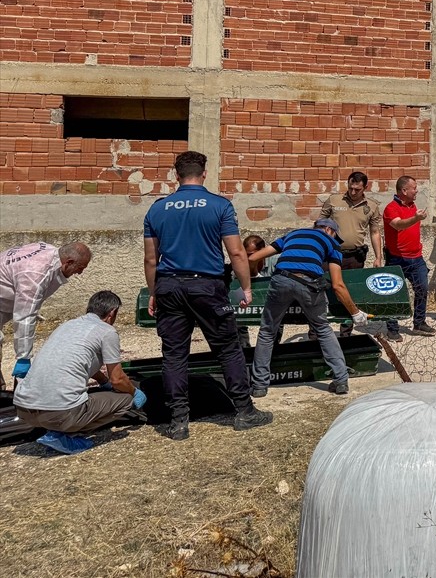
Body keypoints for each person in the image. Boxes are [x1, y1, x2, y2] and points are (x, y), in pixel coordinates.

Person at [144, 150, 272, 440]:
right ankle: (244, 411)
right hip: (207, 285)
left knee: (174, 355)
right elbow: (237, 252)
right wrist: (247, 287)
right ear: (204, 173)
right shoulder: (219, 206)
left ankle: (178, 421)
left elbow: (151, 259)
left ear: (176, 175)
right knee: (227, 348)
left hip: (169, 285)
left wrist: (154, 291)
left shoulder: (157, 209)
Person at [13, 290, 145, 455]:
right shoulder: (106, 331)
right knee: (126, 400)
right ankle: (63, 434)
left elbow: (80, 362)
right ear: (112, 313)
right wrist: (134, 392)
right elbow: (118, 379)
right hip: (59, 413)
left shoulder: (67, 325)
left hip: (24, 408)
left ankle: (57, 429)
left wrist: (103, 382)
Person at [248, 219, 369, 397]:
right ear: (329, 230)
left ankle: (259, 386)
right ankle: (341, 380)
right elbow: (338, 285)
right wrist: (355, 312)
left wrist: (253, 276)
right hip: (309, 284)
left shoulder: (293, 234)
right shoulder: (332, 242)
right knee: (323, 329)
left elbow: (253, 257)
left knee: (267, 331)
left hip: (281, 279)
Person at [1, 241, 92, 389]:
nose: (80, 273)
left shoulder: (50, 253)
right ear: (68, 262)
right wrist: (23, 358)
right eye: (80, 268)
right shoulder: (35, 274)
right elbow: (25, 317)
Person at [383, 176, 436, 337]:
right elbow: (398, 225)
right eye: (414, 187)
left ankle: (419, 323)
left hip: (416, 258)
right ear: (404, 191)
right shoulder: (391, 208)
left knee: (422, 289)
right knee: (393, 294)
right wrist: (416, 218)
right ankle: (392, 329)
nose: (417, 190)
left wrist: (416, 216)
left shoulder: (413, 206)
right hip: (396, 258)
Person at [319, 171, 384, 271]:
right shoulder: (334, 200)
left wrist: (378, 258)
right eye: (350, 188)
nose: (353, 192)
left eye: (357, 190)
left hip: (354, 257)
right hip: (332, 253)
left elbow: (374, 232)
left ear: (365, 188)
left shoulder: (372, 206)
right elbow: (319, 224)